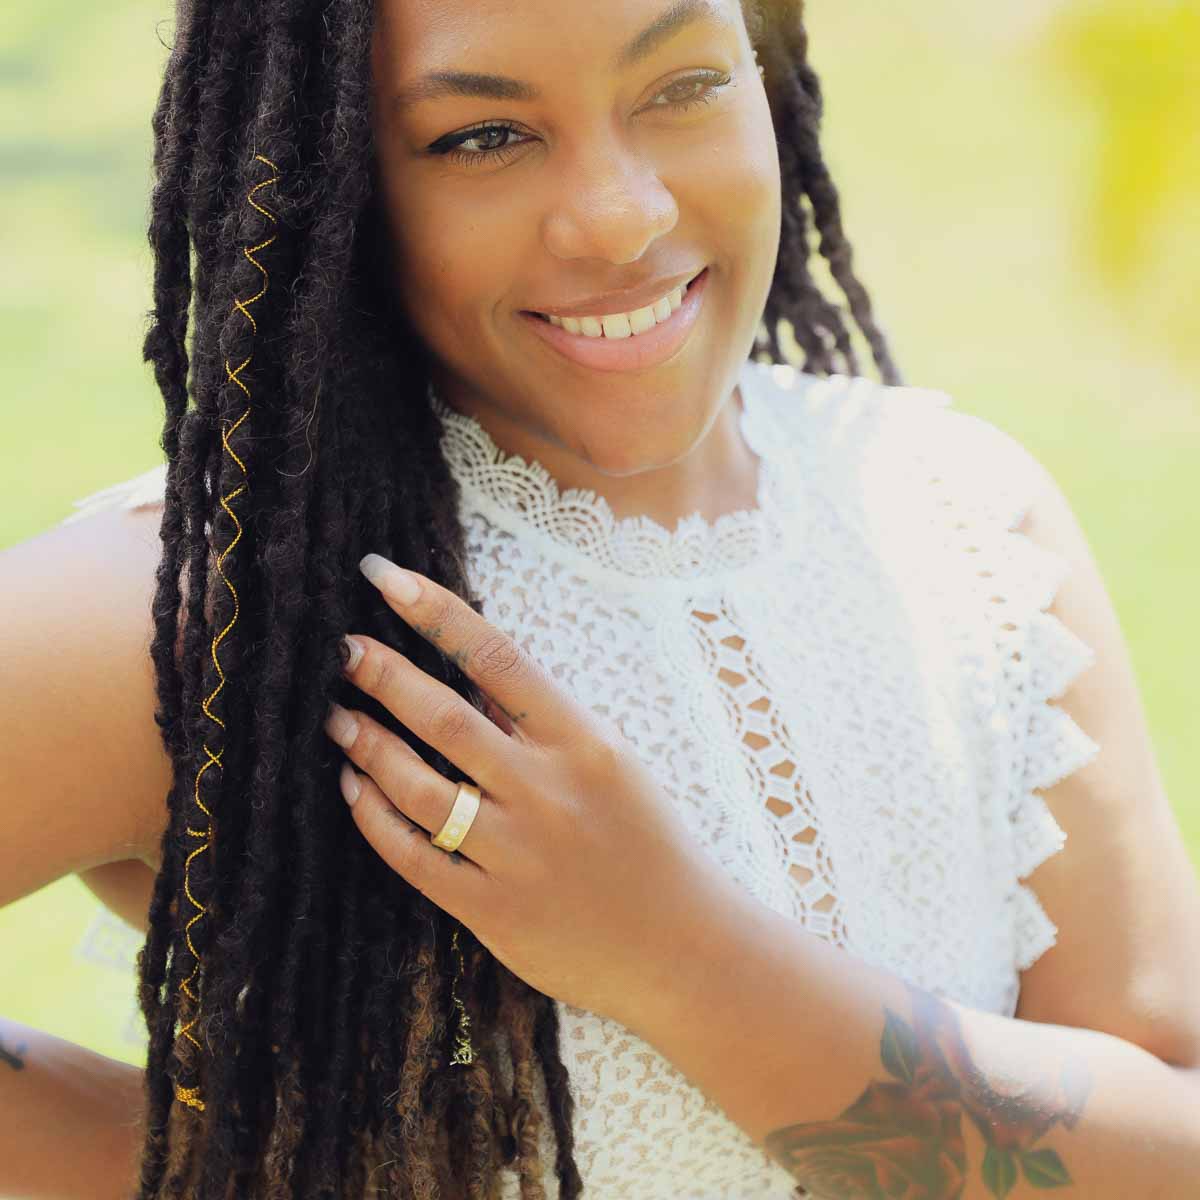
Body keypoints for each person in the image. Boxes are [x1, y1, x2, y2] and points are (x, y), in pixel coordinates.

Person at [5, 0, 1200, 1197]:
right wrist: (223, 1169)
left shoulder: (969, 520)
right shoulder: (241, 605)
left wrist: (673, 953)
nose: (623, 215)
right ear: (334, 173)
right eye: (482, 137)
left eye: (681, 88)